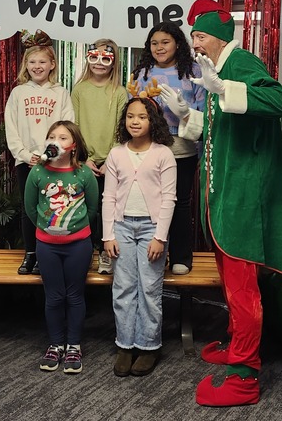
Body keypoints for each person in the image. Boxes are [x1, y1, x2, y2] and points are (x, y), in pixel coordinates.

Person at [160, 0, 282, 407]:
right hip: (224, 194)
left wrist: (224, 89)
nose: (194, 45)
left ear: (216, 37)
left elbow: (279, 102)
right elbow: (220, 129)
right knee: (230, 282)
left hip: (242, 197)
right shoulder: (216, 70)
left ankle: (244, 375)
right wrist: (186, 115)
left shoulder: (240, 63)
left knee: (242, 286)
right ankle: (236, 342)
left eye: (198, 37)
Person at [102, 98, 176, 377]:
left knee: (149, 289)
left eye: (142, 117)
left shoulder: (163, 154)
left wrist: (160, 236)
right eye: (130, 116)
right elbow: (109, 196)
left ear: (152, 121)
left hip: (151, 229)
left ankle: (148, 346)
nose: (135, 121)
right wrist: (108, 234)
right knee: (123, 288)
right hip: (122, 227)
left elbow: (169, 198)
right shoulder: (116, 154)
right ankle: (125, 345)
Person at [130, 21, 205, 275]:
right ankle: (155, 256)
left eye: (165, 42)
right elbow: (133, 112)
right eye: (154, 43)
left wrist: (184, 111)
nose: (159, 47)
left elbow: (204, 111)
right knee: (153, 203)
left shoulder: (194, 70)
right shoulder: (142, 73)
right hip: (149, 148)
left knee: (180, 203)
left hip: (182, 148)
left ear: (177, 43)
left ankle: (181, 257)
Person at [24, 120, 99, 374]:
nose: (56, 140)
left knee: (75, 296)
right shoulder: (37, 173)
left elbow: (92, 209)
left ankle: (74, 346)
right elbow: (30, 209)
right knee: (54, 296)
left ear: (73, 145)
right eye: (52, 135)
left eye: (63, 137)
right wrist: (47, 230)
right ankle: (56, 345)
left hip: (79, 246)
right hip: (47, 246)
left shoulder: (84, 174)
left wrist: (75, 230)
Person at [5, 30, 75, 275]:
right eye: (32, 61)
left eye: (42, 61)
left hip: (54, 162)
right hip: (26, 162)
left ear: (52, 64)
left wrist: (52, 153)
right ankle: (30, 254)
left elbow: (68, 127)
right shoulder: (18, 93)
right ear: (26, 64)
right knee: (29, 209)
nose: (37, 66)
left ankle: (49, 254)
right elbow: (11, 128)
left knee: (53, 207)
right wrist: (25, 154)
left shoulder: (61, 93)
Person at [71, 39, 128, 275]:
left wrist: (111, 160)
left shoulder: (120, 92)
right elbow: (73, 125)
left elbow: (121, 128)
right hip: (84, 161)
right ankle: (84, 254)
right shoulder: (79, 90)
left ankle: (106, 253)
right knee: (84, 209)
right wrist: (83, 158)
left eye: (106, 58)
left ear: (114, 61)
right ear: (88, 58)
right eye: (95, 57)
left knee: (109, 210)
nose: (99, 63)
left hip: (111, 162)